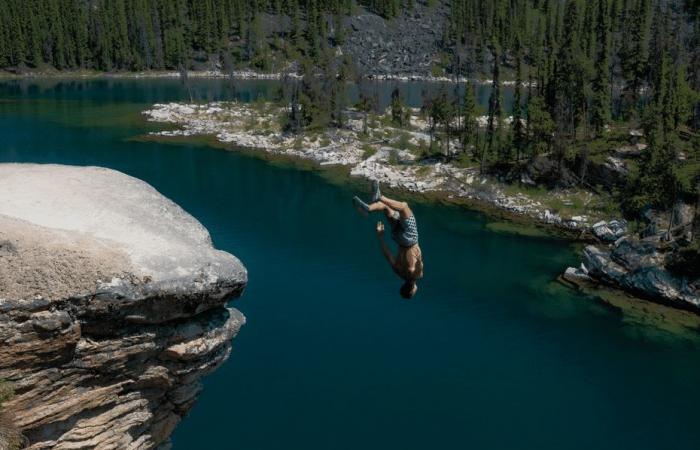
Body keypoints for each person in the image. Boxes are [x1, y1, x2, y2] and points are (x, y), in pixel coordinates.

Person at [353, 181, 424, 299]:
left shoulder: (416, 276)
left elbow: (417, 266)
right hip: (398, 238)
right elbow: (387, 254)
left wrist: (418, 262)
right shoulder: (398, 272)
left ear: (412, 289)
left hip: (411, 240)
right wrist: (380, 236)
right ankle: (368, 208)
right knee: (386, 208)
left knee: (404, 206)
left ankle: (379, 197)